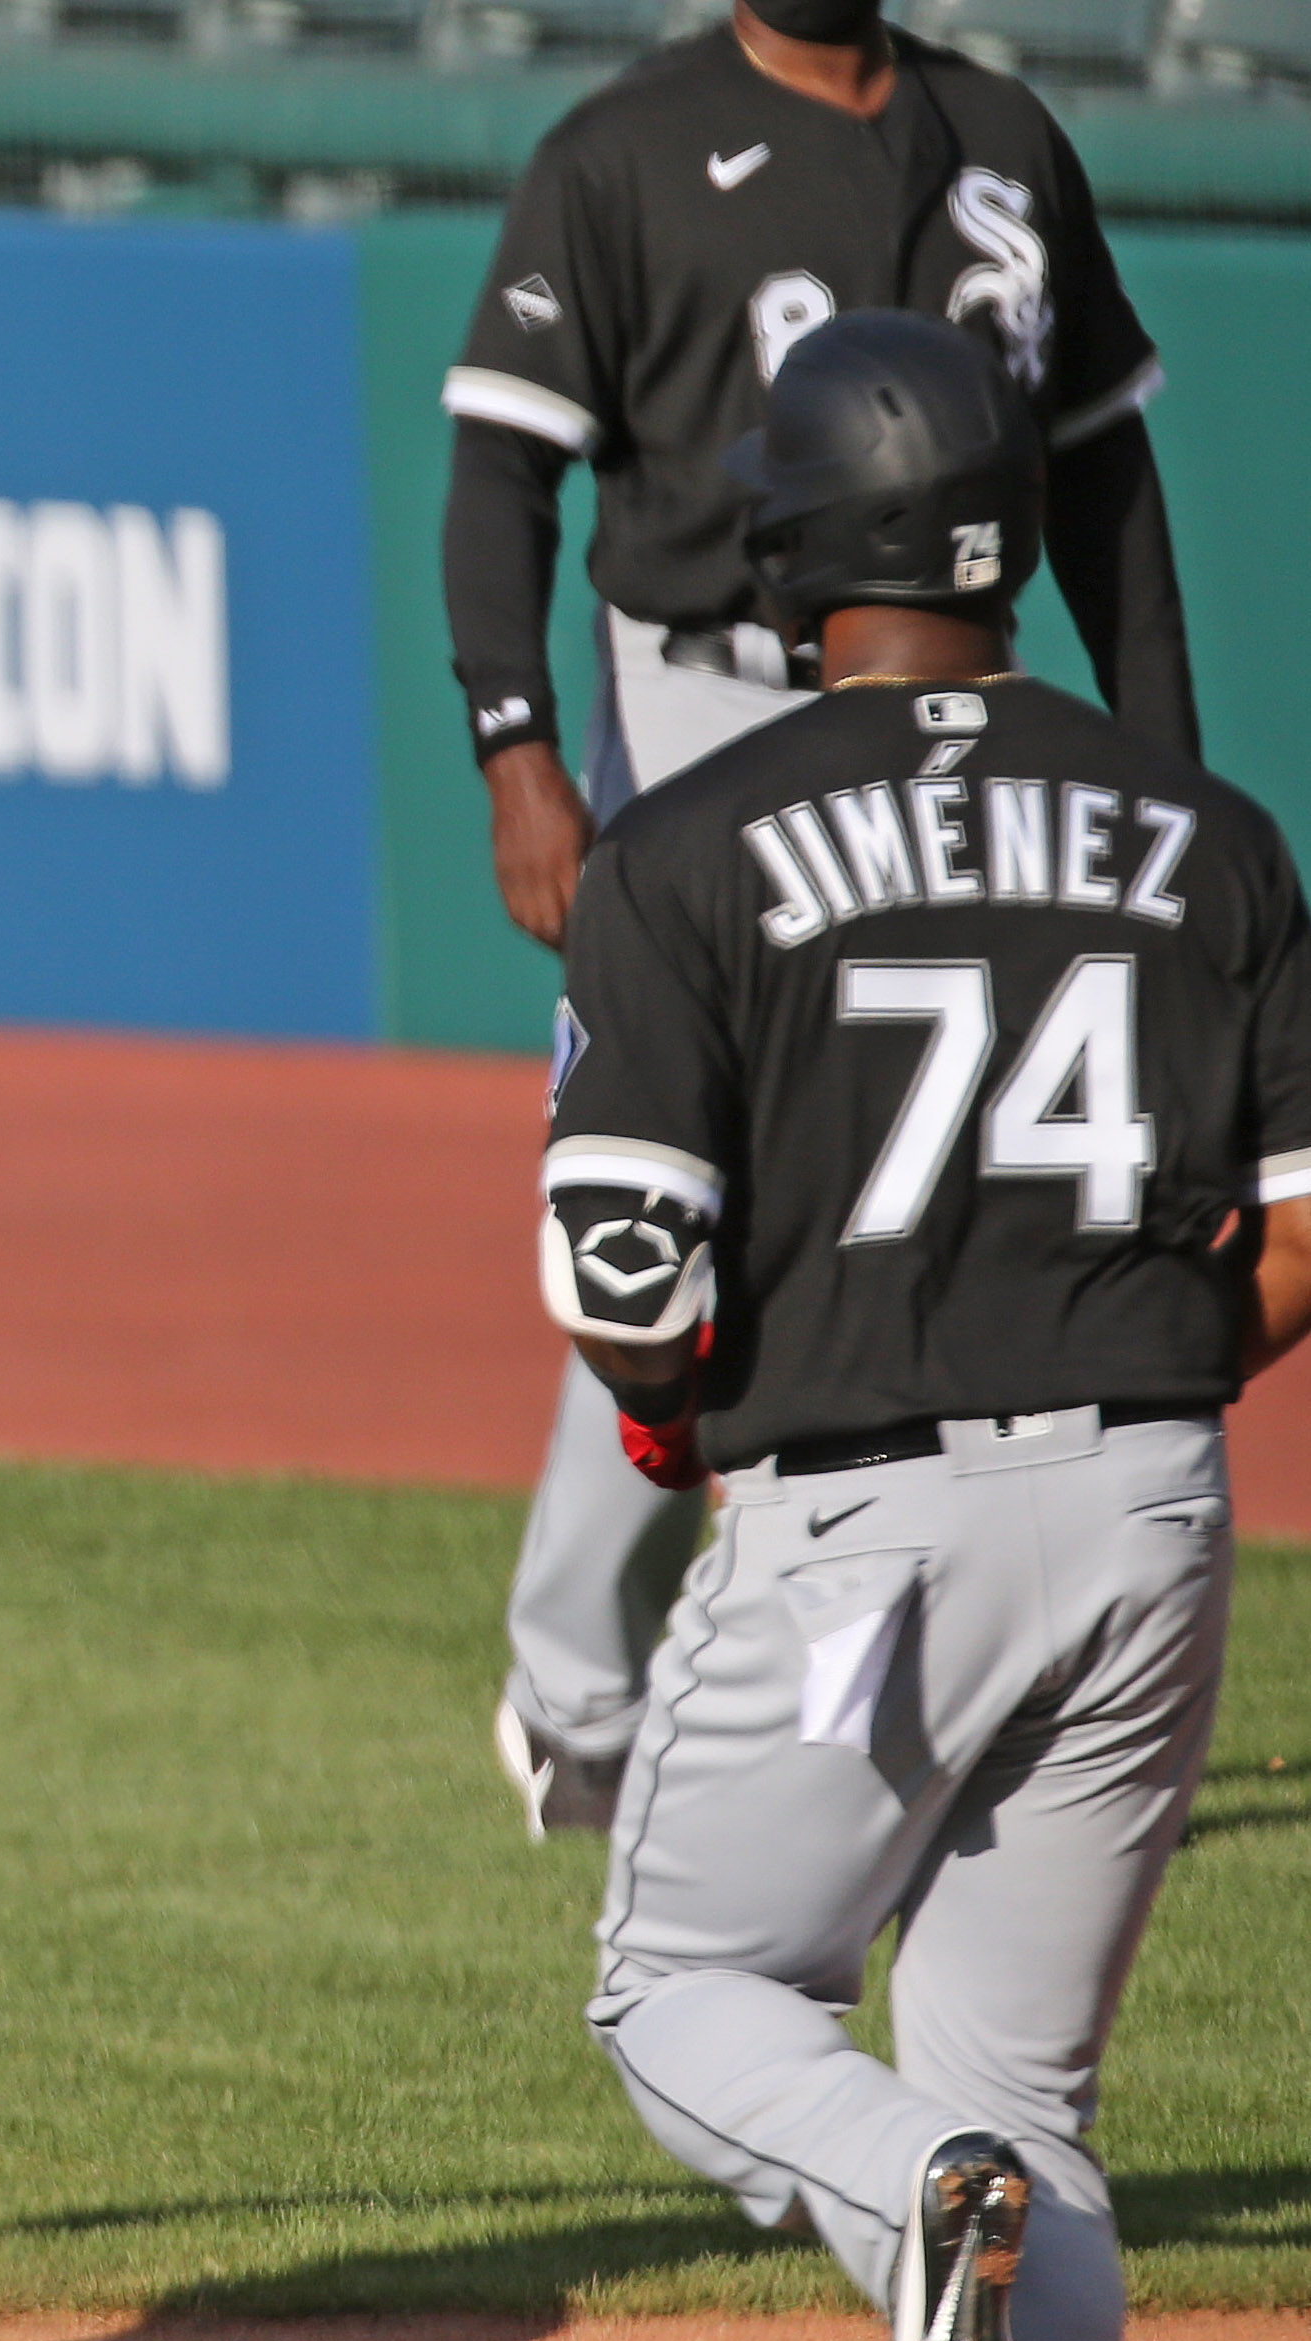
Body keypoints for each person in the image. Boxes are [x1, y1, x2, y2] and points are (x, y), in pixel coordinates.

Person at [543, 308, 1311, 2341]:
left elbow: (620, 1279)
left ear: (792, 560)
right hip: (1151, 1513)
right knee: (1024, 2100)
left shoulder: (687, 845)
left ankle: (919, 2202)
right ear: (1013, 547)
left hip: (859, 1529)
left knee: (686, 1997)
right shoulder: (1207, 834)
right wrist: (1159, 1386)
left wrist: (686, 1424)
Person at [442, 0, 1197, 1837]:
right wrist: (516, 748)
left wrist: (1163, 769)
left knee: (920, 1175)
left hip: (958, 702)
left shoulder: (1001, 139)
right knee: (675, 1185)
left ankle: (890, 1679)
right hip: (703, 699)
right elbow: (497, 469)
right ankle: (579, 1690)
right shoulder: (619, 151)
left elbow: (1100, 477)